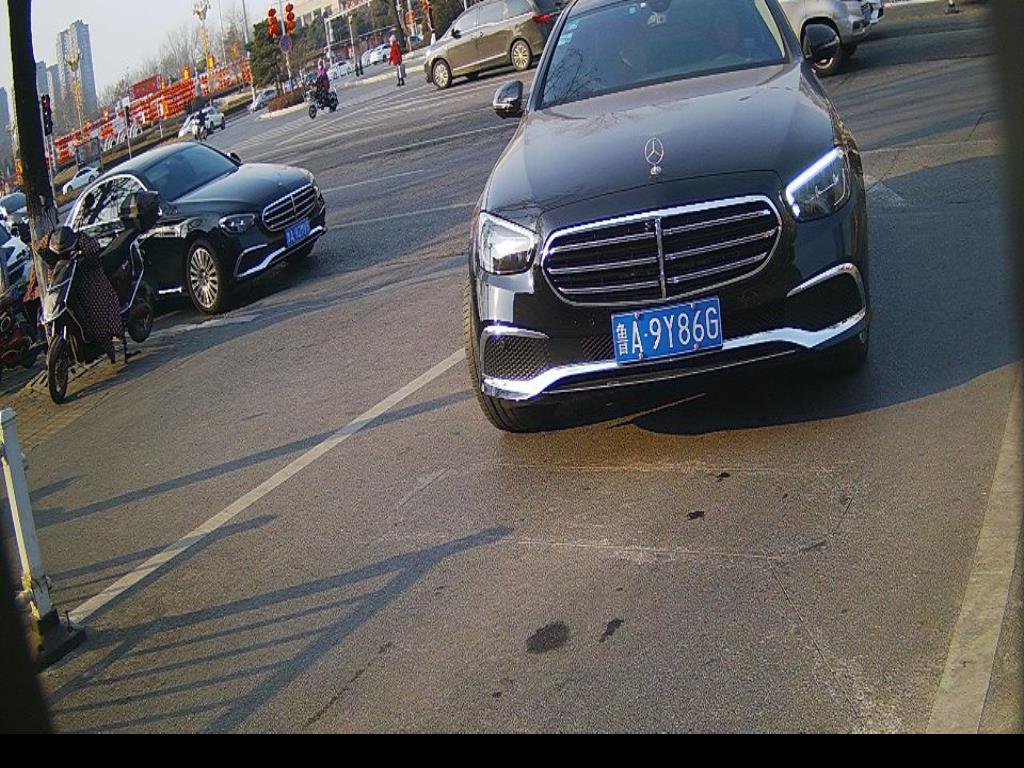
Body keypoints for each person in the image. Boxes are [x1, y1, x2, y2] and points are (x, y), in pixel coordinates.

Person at [41, 227, 125, 363]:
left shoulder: (83, 240)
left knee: (96, 309)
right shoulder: (51, 247)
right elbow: (38, 247)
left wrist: (84, 259)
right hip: (64, 284)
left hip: (89, 279)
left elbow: (94, 248)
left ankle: (105, 340)